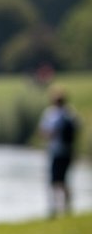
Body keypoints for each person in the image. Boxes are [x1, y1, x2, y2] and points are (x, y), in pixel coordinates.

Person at [39, 87, 79, 217]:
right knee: (64, 181)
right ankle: (67, 208)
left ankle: (54, 209)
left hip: (56, 152)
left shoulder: (51, 114)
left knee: (54, 182)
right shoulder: (71, 113)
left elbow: (45, 132)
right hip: (68, 151)